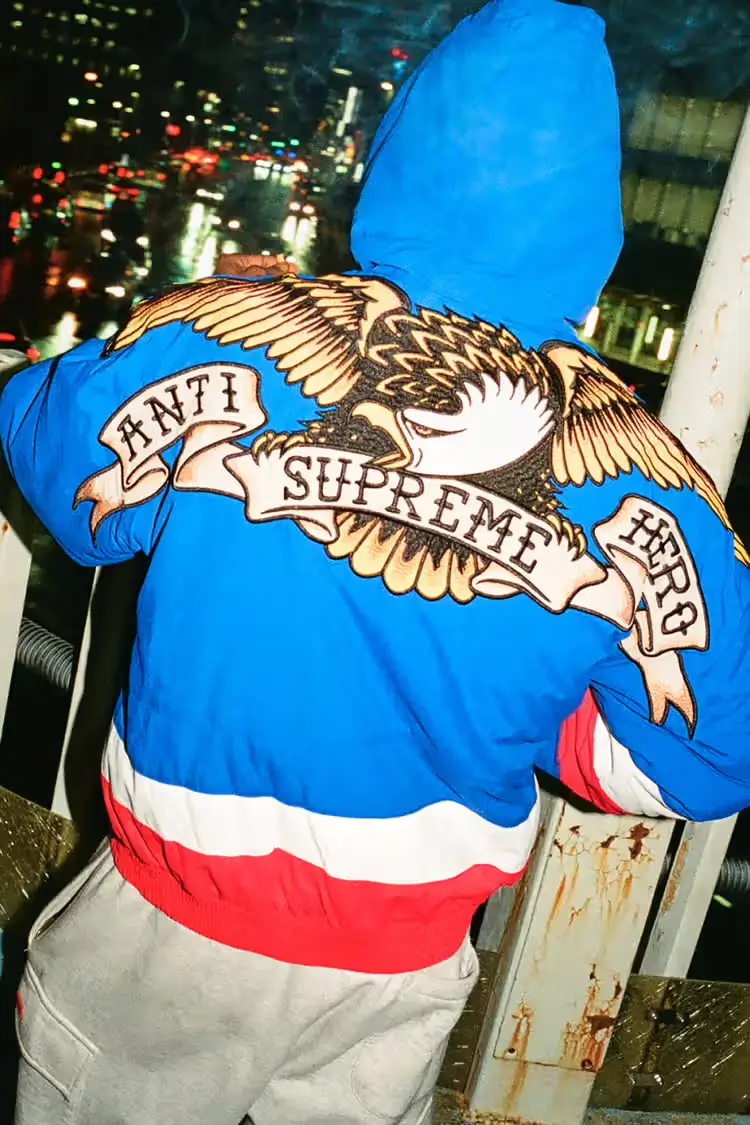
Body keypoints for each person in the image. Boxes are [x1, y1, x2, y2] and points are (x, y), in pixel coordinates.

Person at [2, 0, 750, 1122]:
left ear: (398, 162)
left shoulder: (223, 327)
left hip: (167, 933)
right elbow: (699, 762)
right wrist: (518, 686)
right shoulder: (660, 479)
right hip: (398, 976)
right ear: (593, 226)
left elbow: (71, 486)